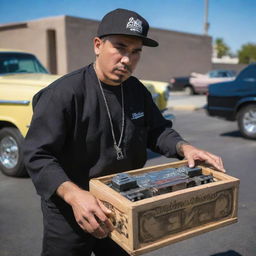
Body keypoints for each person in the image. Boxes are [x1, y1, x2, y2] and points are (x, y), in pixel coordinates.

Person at [23, 8, 225, 256]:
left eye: (135, 52)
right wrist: (75, 195)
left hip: (122, 203)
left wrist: (185, 148)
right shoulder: (63, 94)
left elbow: (158, 130)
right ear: (98, 45)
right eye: (120, 47)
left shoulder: (136, 90)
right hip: (71, 209)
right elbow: (37, 154)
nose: (127, 59)